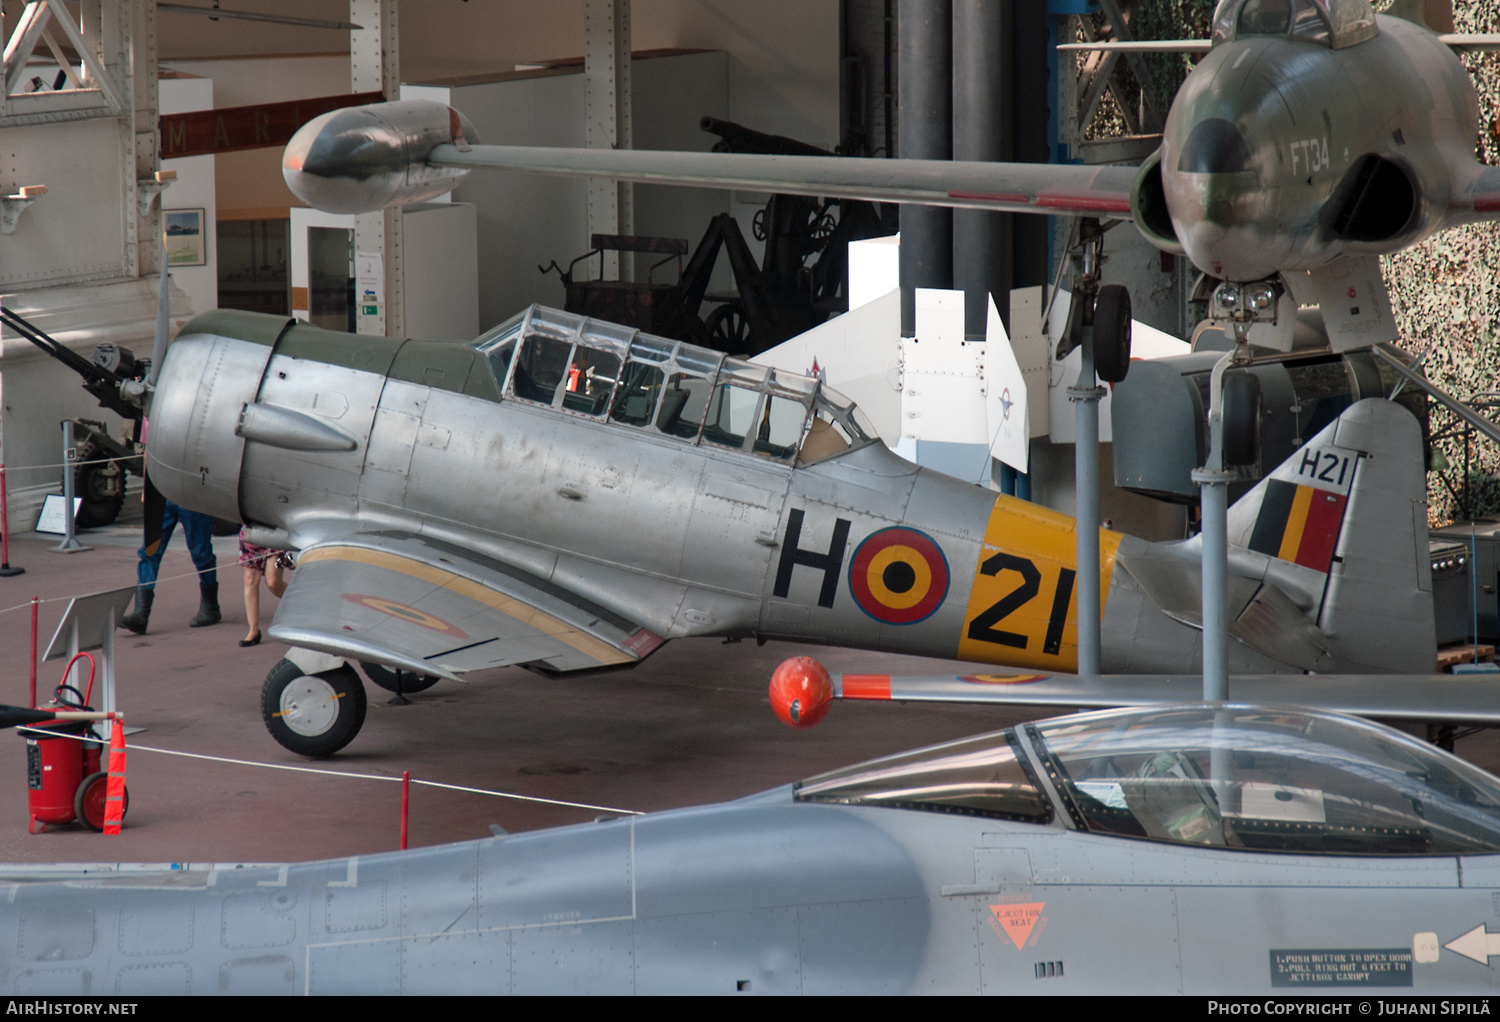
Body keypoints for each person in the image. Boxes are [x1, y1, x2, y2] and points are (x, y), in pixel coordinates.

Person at [120, 499, 221, 634]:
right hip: (163, 494)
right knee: (150, 551)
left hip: (192, 495)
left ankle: (210, 606)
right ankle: (140, 613)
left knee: (200, 553)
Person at [238, 530, 287, 647]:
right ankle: (253, 631)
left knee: (273, 583)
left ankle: (304, 604)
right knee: (250, 580)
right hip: (251, 528)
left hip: (274, 529)